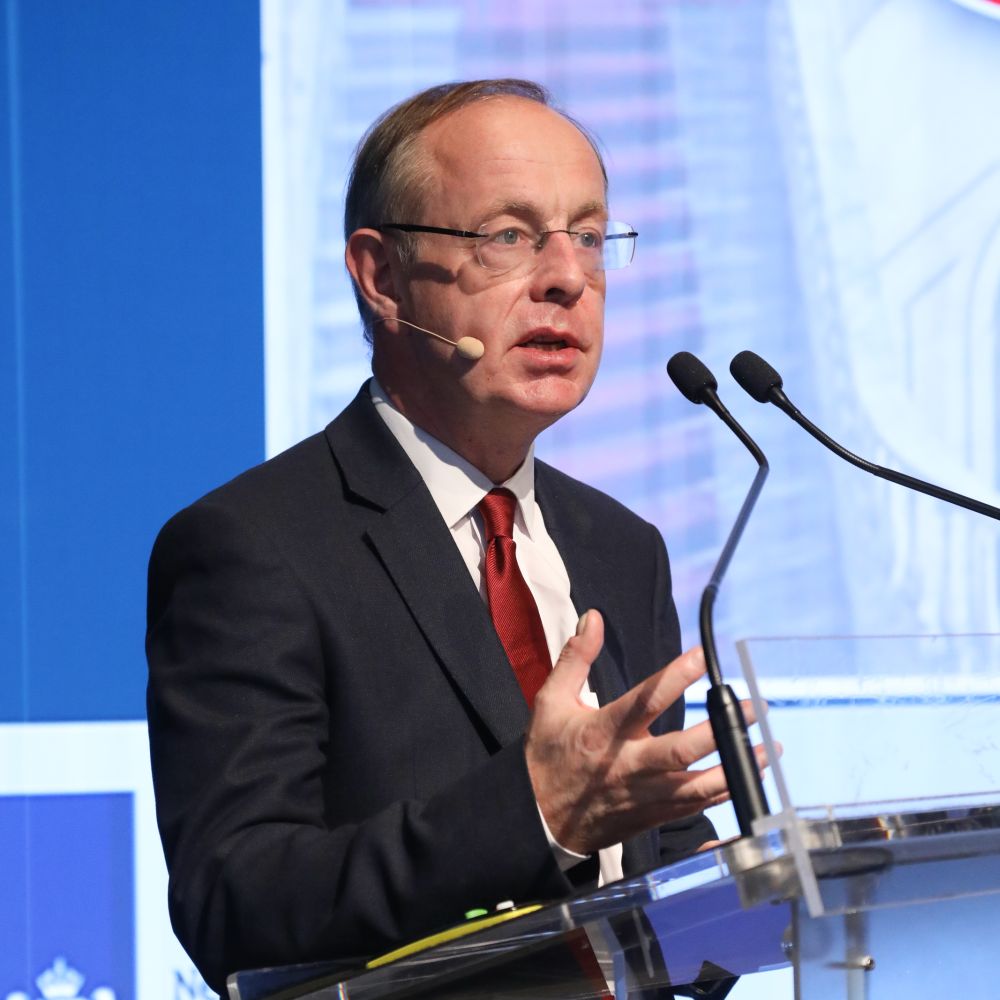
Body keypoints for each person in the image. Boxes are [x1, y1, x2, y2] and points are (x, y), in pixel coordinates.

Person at [146, 79, 762, 993]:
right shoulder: (253, 547)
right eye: (508, 236)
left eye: (589, 237)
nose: (566, 278)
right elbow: (235, 902)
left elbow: (654, 864)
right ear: (381, 275)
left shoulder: (622, 548)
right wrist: (535, 815)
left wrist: (751, 889)